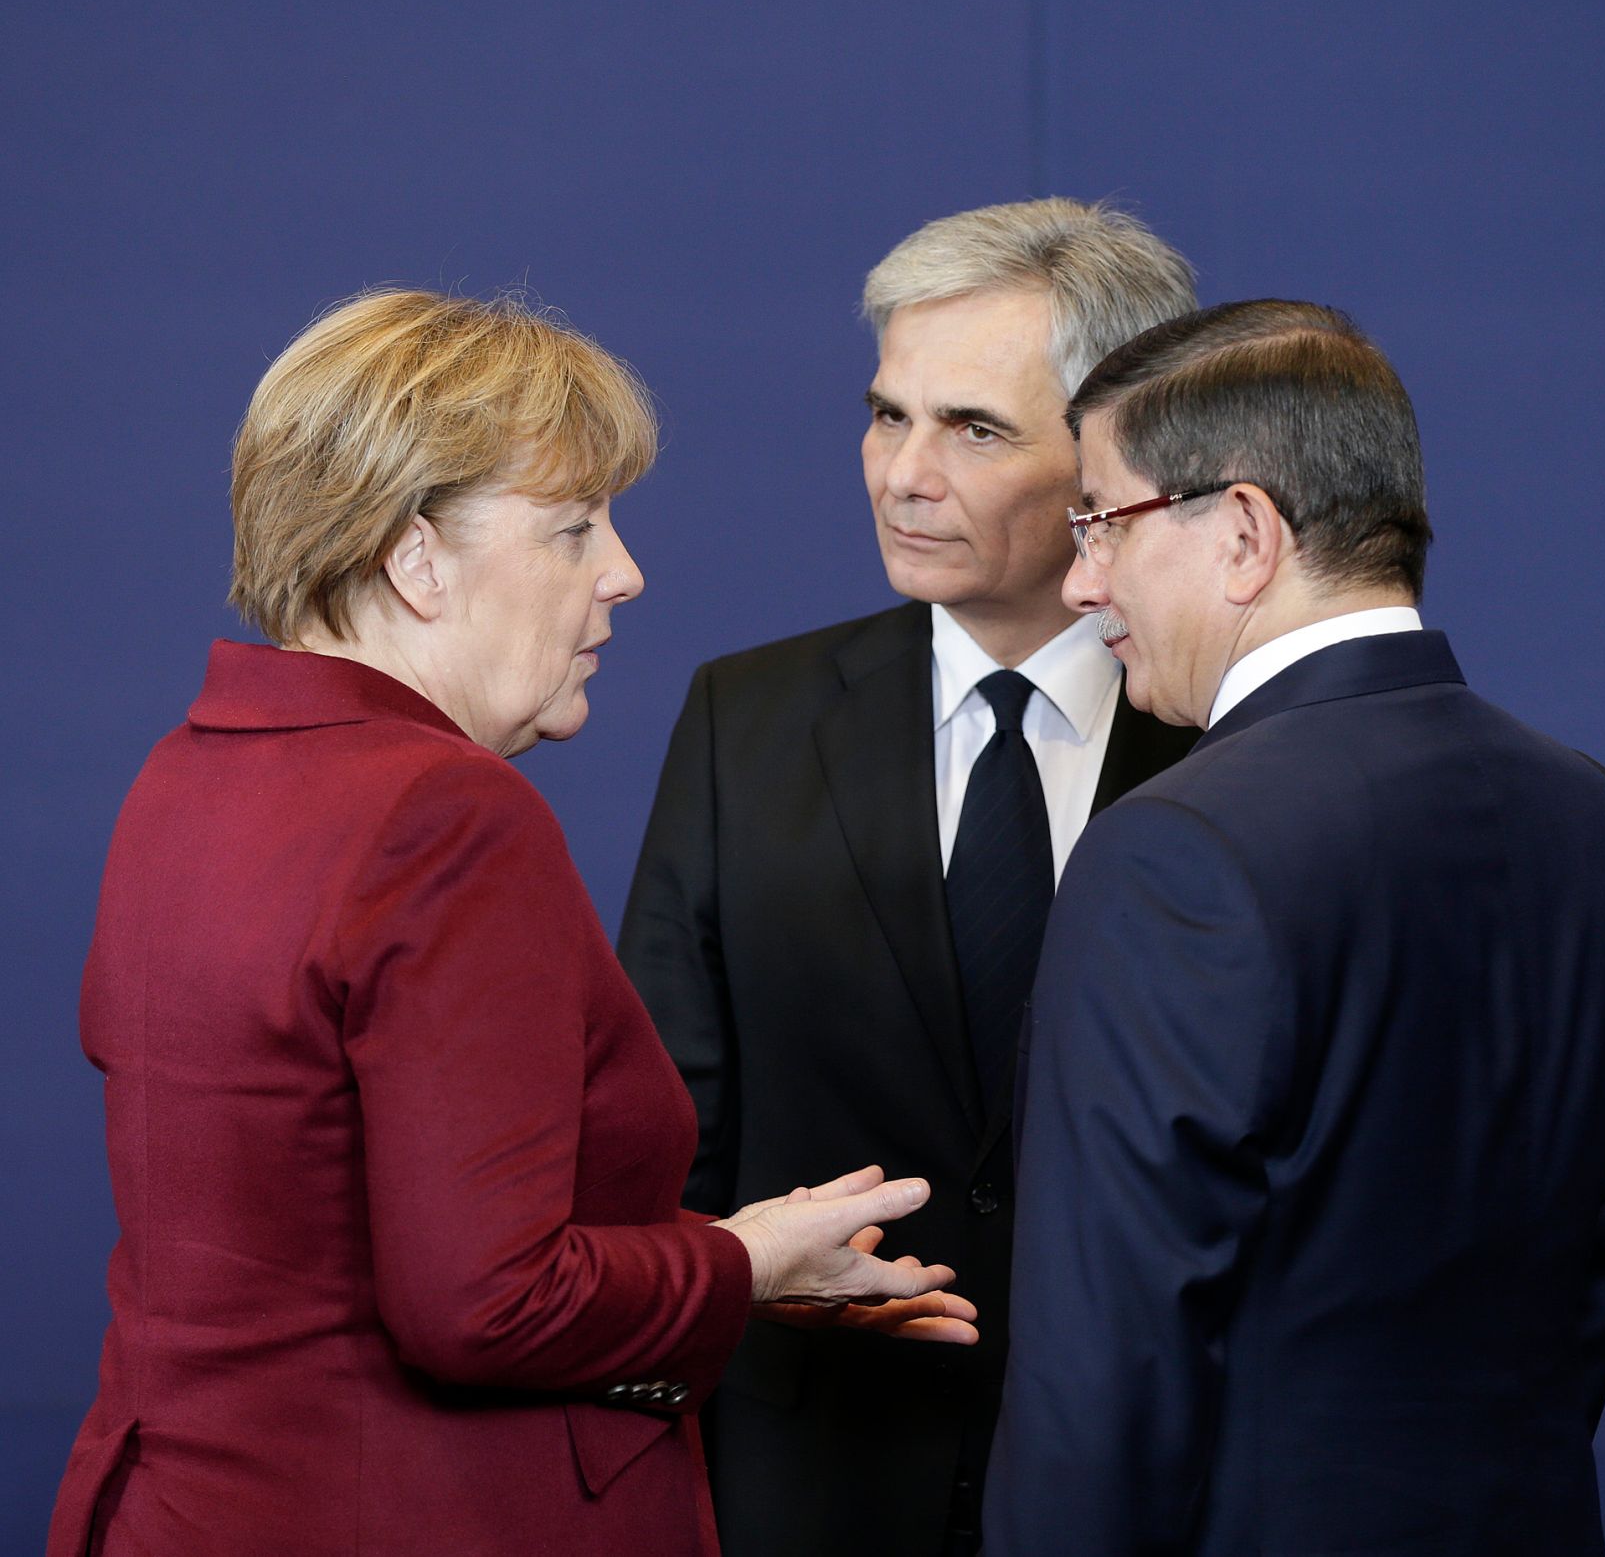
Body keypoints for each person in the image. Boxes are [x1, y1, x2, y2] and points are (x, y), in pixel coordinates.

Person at [48, 289, 977, 1557]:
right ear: (415, 557)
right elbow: (483, 1304)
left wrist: (727, 1255)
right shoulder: (441, 811)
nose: (622, 572)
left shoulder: (189, 770)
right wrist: (744, 1263)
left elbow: (328, 1226)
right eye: (572, 528)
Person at [984, 300, 1605, 1555]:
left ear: (1245, 532)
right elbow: (1592, 1289)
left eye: (1098, 521)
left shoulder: (1171, 846)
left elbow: (1100, 1376)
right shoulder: (1595, 816)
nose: (1079, 580)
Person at [617, 197, 1200, 1555]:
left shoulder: (1240, 741)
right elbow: (664, 1136)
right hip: (808, 1483)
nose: (901, 472)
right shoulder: (742, 719)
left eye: (974, 428)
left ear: (1112, 453)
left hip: (1152, 1480)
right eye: (890, 415)